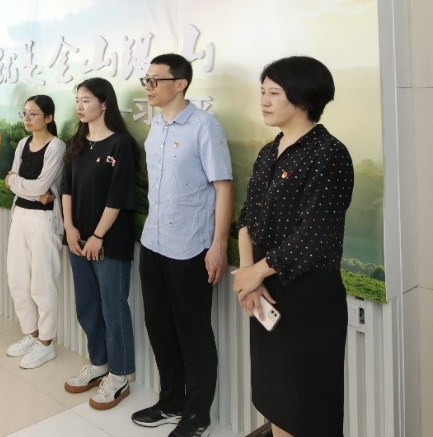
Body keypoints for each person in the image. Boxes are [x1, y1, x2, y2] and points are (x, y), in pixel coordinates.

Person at [232, 56, 354, 437]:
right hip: (265, 290)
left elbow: (315, 235)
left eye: (274, 93)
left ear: (302, 98)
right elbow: (247, 218)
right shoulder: (269, 151)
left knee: (305, 405)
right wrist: (247, 273)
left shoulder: (329, 154)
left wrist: (255, 273)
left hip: (307, 300)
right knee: (275, 397)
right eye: (262, 92)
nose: (264, 101)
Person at [134, 53, 233, 437]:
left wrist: (218, 245)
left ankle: (197, 415)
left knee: (193, 333)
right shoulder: (156, 125)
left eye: (155, 80)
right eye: (146, 80)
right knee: (159, 327)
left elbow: (223, 187)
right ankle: (171, 401)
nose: (148, 87)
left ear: (180, 84)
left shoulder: (204, 126)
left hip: (191, 247)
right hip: (154, 241)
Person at [61, 78, 139, 409]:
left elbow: (119, 196)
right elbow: (66, 189)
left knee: (113, 307)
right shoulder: (76, 143)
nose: (80, 106)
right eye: (78, 100)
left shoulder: (121, 144)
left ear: (104, 104)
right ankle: (99, 363)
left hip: (110, 241)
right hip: (77, 240)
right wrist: (69, 228)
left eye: (87, 100)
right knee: (87, 305)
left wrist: (97, 236)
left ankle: (120, 375)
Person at [3, 94, 66, 369]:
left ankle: (46, 342)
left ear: (48, 118)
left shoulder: (57, 146)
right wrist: (22, 186)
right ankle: (31, 333)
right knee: (17, 277)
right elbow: (12, 179)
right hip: (20, 215)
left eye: (33, 114)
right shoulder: (22, 143)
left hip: (44, 219)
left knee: (43, 282)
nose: (27, 118)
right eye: (25, 113)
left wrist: (18, 184)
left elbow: (42, 185)